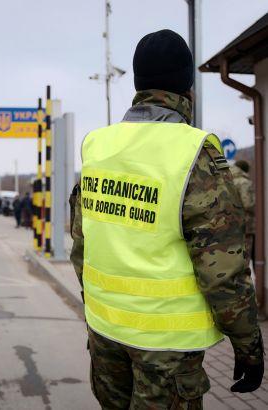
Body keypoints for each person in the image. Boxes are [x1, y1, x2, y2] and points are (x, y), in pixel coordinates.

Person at [70, 30, 263, 408]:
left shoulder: (98, 146)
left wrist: (98, 313)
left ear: (138, 83)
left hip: (105, 336)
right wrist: (248, 344)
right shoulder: (192, 152)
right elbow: (222, 271)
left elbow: (82, 244)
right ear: (186, 86)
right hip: (167, 350)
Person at [232, 160, 255, 265]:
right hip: (245, 224)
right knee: (245, 258)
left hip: (229, 223)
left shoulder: (226, 179)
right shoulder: (244, 182)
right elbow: (248, 204)